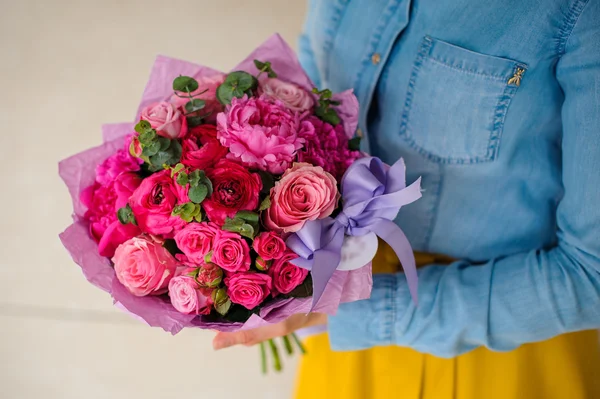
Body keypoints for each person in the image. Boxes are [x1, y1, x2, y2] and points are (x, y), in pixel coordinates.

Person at [213, 0, 600, 397]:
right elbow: (308, 120)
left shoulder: (578, 12)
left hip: (504, 348)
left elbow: (593, 273)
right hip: (341, 337)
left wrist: (349, 310)